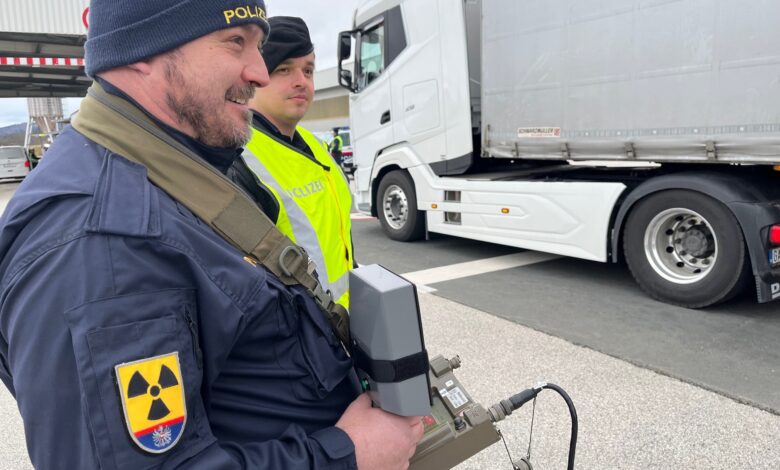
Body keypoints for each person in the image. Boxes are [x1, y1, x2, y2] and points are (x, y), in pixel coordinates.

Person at [0, 1, 423, 469]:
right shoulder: (102, 244)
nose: (259, 72)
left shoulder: (175, 171)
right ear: (142, 51)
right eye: (235, 42)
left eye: (258, 46)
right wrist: (348, 454)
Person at [237, 17, 354, 309]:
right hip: (299, 328)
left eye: (308, 70)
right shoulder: (237, 158)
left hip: (342, 319)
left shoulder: (315, 145)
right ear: (257, 75)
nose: (302, 80)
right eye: (284, 69)